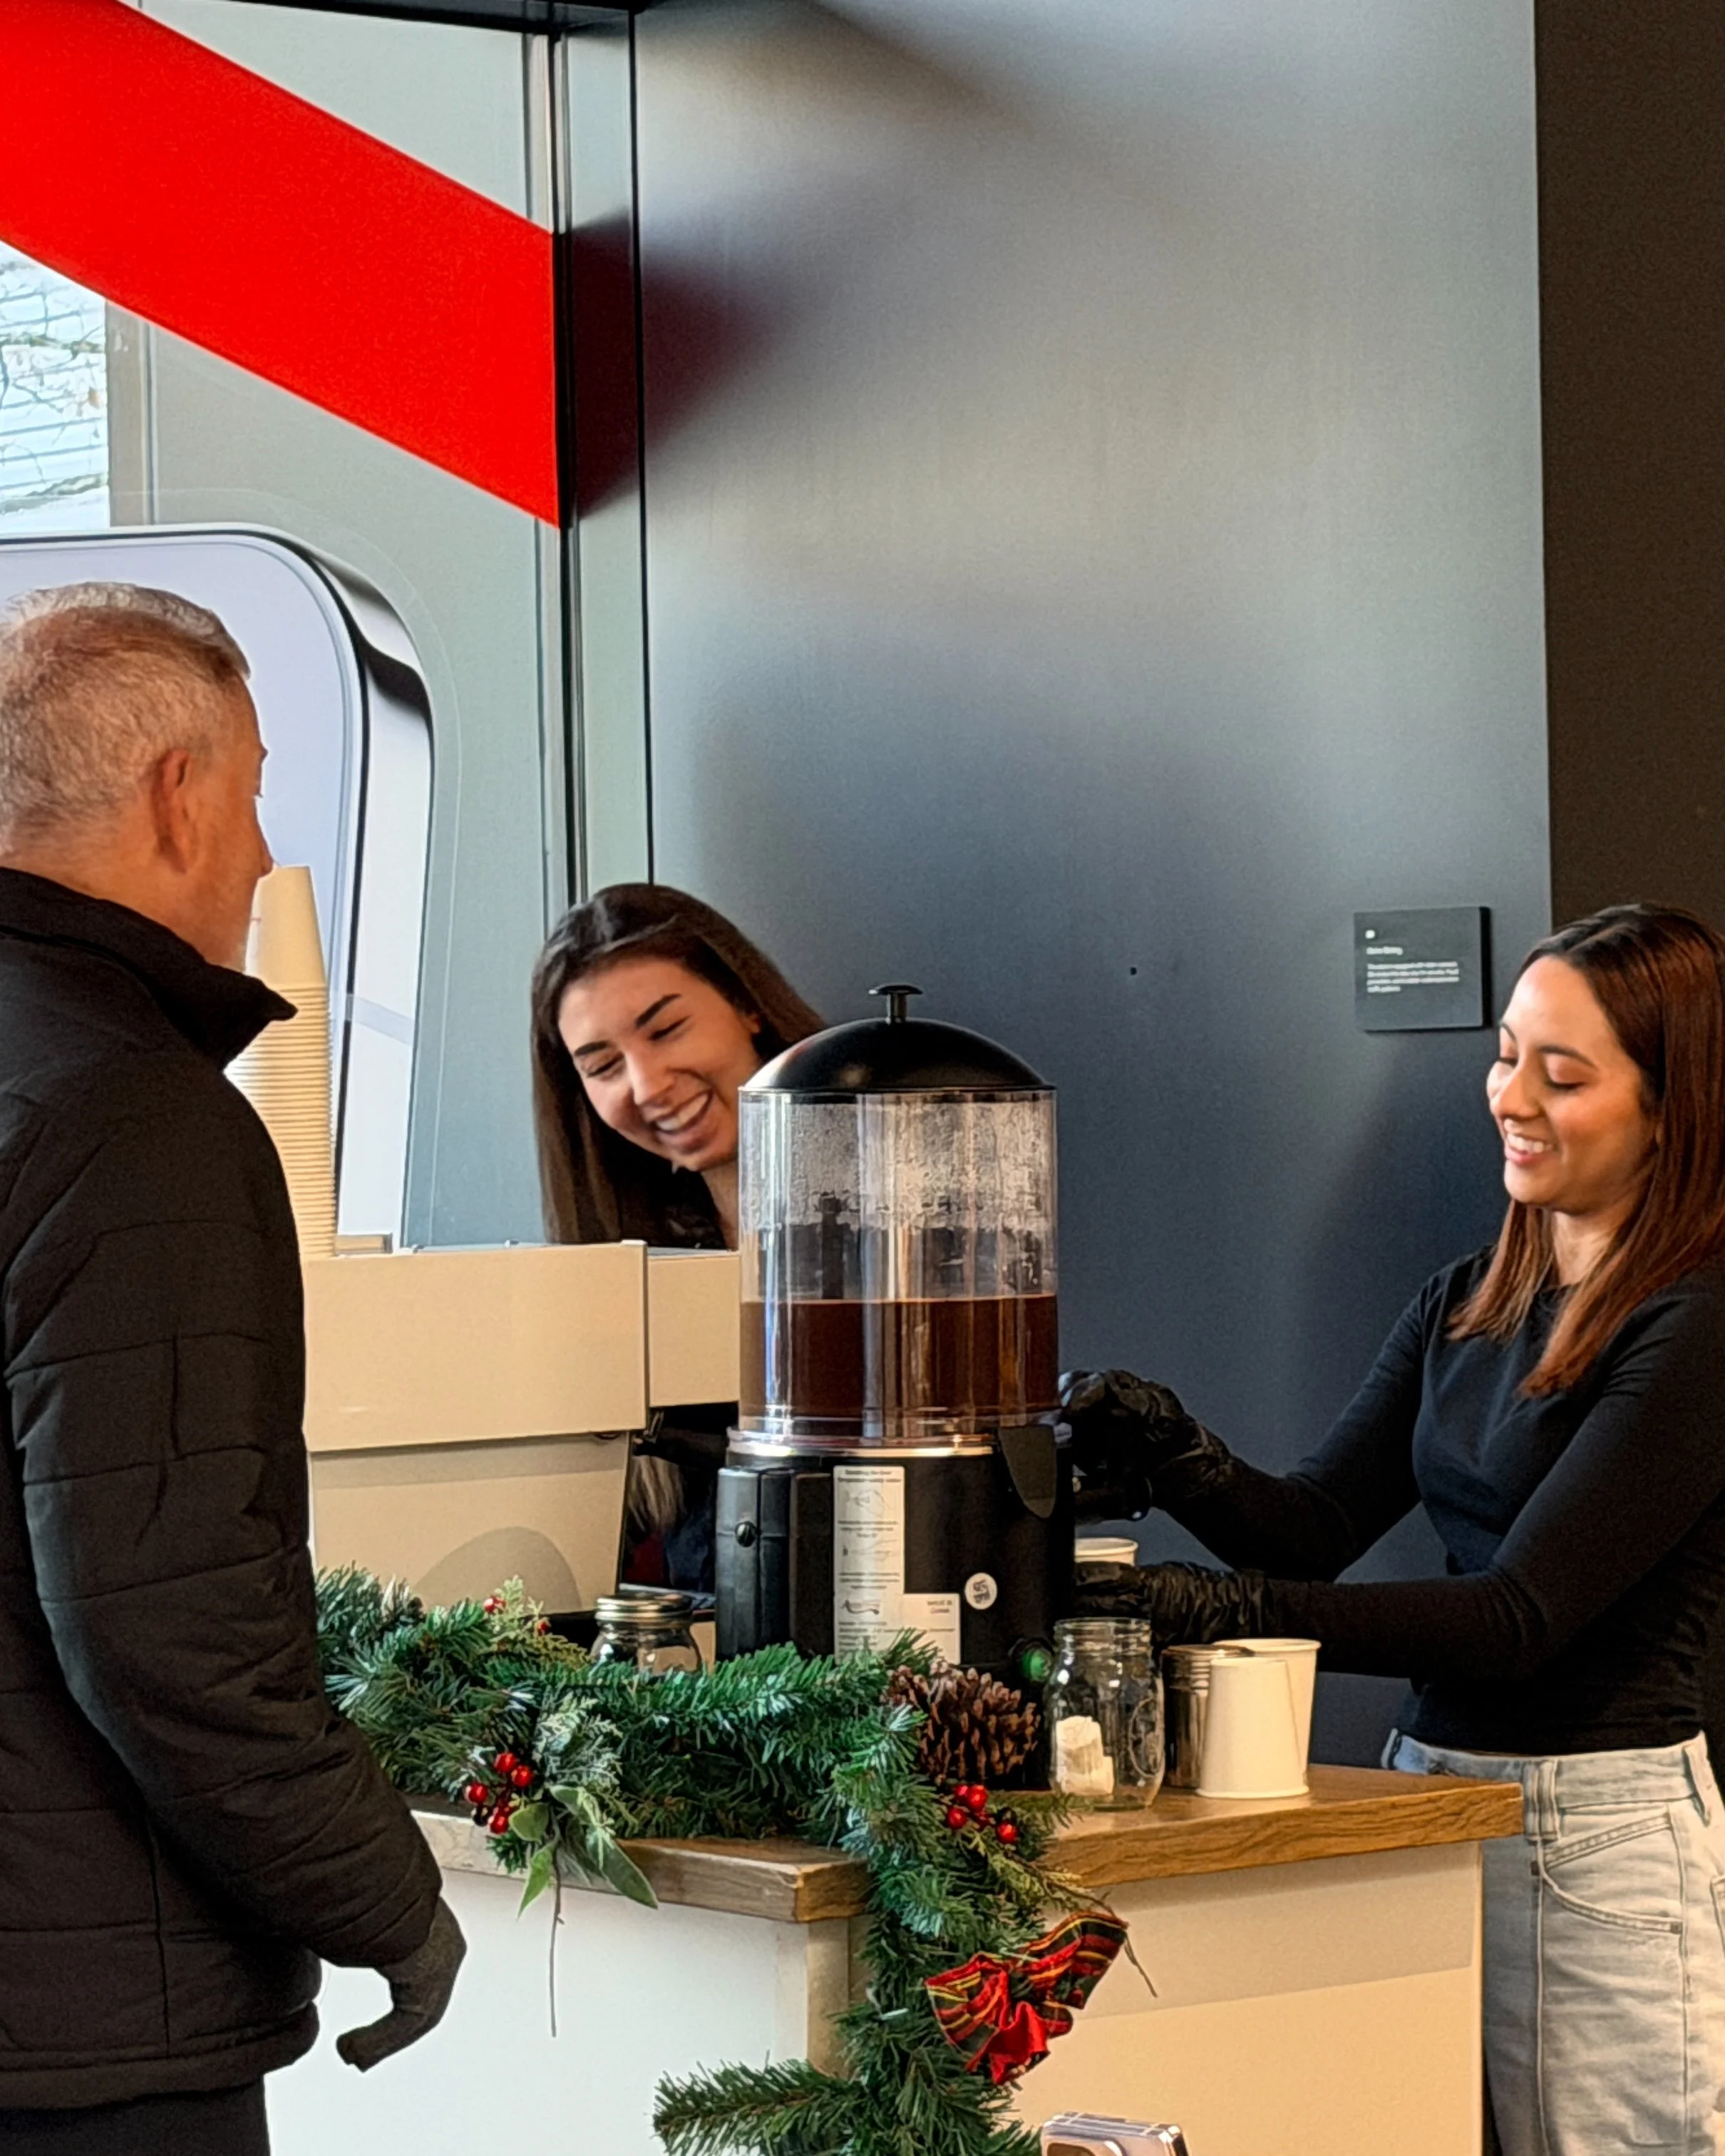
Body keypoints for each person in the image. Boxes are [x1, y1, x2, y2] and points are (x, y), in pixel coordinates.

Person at [1065, 904, 1725, 2156]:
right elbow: (1310, 1526)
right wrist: (1176, 1449)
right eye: (1506, 1053)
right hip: (1422, 1801)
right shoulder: (1473, 1296)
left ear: (1671, 1104)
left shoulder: (1695, 1321)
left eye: (1562, 1072)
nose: (1510, 1096)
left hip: (1600, 1842)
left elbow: (1518, 1618)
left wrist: (1222, 1610)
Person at [0, 584, 462, 2155]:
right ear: (175, 794)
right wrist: (381, 1893)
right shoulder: (137, 1113)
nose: (265, 855)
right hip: (82, 2041)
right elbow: (165, 1612)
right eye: (258, 786)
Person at [530, 883, 822, 1585]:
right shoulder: (623, 1272)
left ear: (746, 1005)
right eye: (602, 1066)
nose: (646, 1083)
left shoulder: (895, 1218)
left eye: (665, 1030)